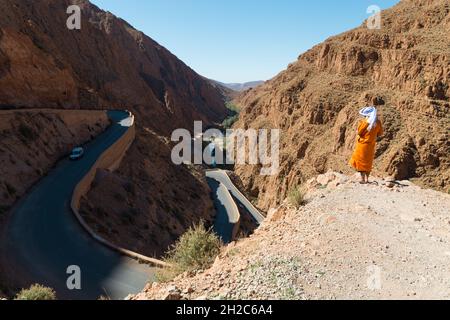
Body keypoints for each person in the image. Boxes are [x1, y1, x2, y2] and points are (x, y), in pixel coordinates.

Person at [349, 106, 383, 184]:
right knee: (368, 162)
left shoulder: (364, 122)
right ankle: (367, 179)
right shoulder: (378, 122)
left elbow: (359, 132)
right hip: (371, 145)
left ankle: (362, 179)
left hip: (362, 145)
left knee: (360, 161)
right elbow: (380, 133)